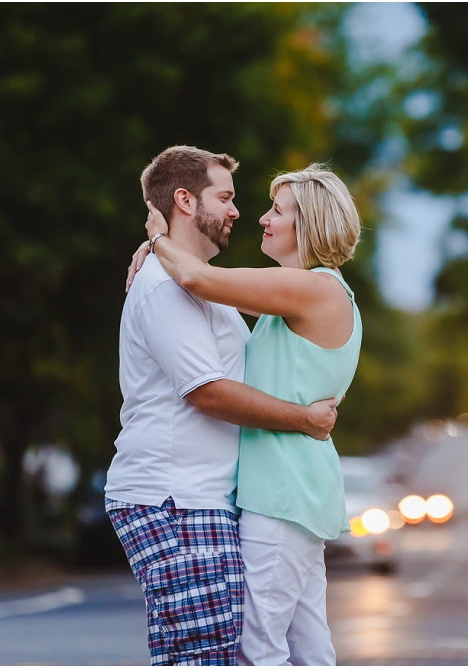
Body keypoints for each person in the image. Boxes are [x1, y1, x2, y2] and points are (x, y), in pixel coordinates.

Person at [106, 146, 341, 666]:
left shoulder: (213, 289)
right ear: (185, 200)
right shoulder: (164, 287)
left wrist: (160, 243)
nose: (241, 211)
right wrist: (303, 418)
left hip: (210, 497)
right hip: (174, 497)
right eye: (227, 197)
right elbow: (206, 390)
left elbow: (201, 282)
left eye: (271, 209)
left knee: (212, 654)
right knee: (206, 655)